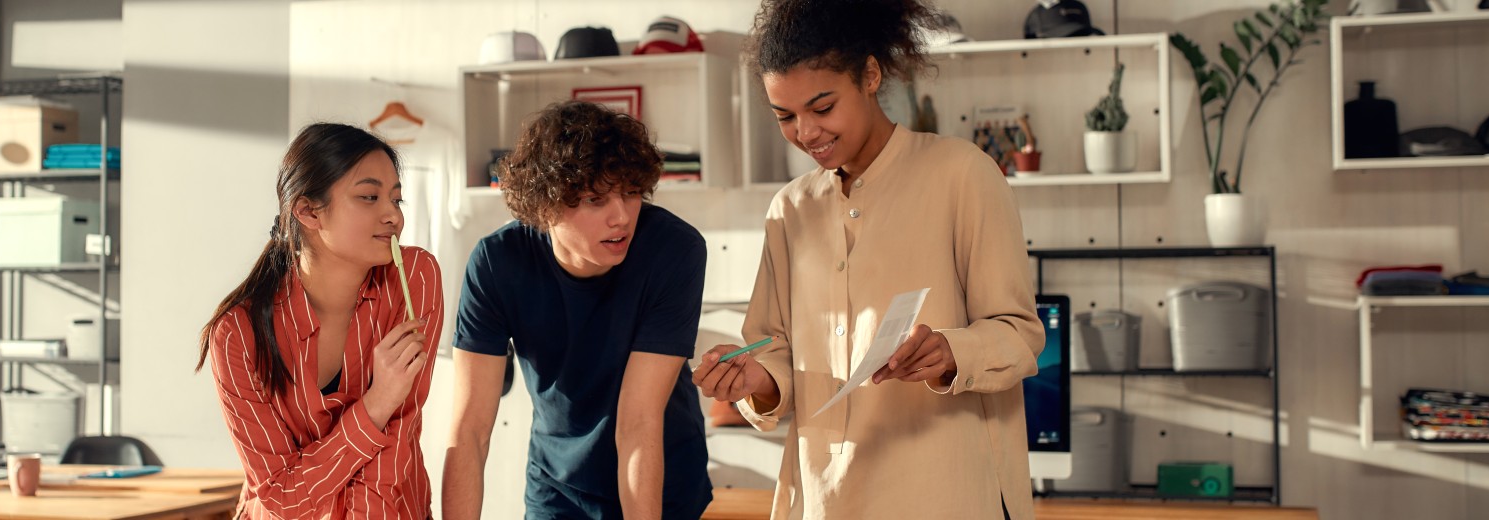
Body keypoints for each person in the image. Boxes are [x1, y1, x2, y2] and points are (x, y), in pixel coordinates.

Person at [690, 1, 1045, 518]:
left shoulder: (962, 174)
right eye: (785, 116)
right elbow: (776, 351)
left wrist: (952, 350)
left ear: (871, 75)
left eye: (822, 107)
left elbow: (1021, 333)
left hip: (943, 492)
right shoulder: (789, 209)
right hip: (824, 497)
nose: (806, 133)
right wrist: (753, 382)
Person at [442, 100, 713, 520]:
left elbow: (638, 423)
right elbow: (470, 430)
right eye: (594, 199)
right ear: (543, 206)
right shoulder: (497, 263)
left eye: (630, 192)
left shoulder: (674, 251)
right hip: (557, 486)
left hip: (660, 483)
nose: (621, 217)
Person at [198, 123, 444, 520]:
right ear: (308, 211)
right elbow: (282, 496)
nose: (392, 216)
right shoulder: (237, 335)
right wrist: (377, 403)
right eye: (369, 197)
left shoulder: (414, 277)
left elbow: (396, 443)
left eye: (396, 200)